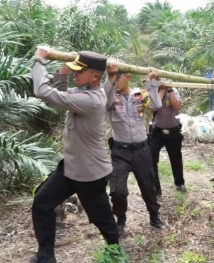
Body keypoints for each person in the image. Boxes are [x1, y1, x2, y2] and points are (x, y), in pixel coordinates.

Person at [31, 49, 120, 263]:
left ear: (95, 77)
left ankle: (116, 252)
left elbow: (43, 91)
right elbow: (63, 92)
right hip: (71, 166)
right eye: (75, 72)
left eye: (79, 72)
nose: (75, 75)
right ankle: (46, 255)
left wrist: (39, 60)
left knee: (102, 218)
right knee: (42, 202)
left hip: (90, 172)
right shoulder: (84, 92)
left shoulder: (90, 100)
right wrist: (65, 68)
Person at [104, 65, 166, 233]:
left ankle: (154, 216)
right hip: (120, 152)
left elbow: (155, 105)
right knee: (117, 190)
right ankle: (120, 218)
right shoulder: (111, 98)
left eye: (118, 78)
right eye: (113, 79)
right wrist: (109, 78)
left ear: (128, 77)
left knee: (148, 186)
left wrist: (151, 81)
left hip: (141, 150)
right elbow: (103, 101)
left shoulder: (140, 95)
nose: (115, 82)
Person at [149, 81, 186, 196]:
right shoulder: (154, 92)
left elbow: (177, 106)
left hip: (173, 132)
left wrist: (169, 90)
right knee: (151, 158)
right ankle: (156, 187)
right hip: (157, 132)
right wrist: (161, 90)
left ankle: (179, 183)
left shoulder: (174, 91)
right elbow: (155, 106)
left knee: (176, 158)